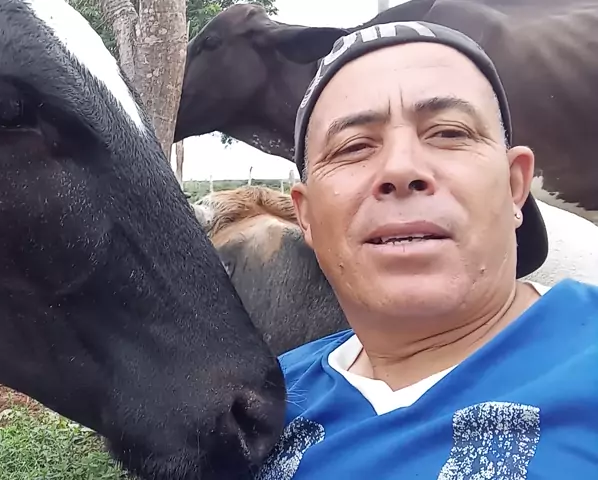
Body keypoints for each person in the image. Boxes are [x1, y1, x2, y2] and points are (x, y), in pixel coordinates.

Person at [254, 21, 598, 479]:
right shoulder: (256, 407)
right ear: (307, 217)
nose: (401, 169)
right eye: (354, 146)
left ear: (515, 186)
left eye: (449, 133)